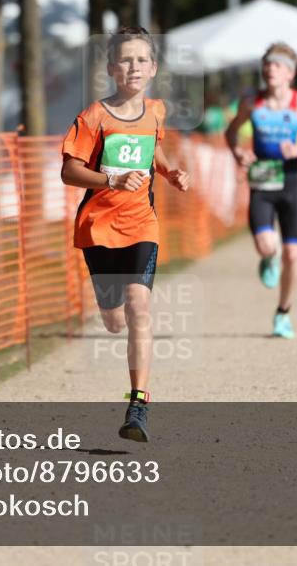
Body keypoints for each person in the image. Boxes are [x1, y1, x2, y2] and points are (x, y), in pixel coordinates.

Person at [60, 26, 190, 442]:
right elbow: (68, 171)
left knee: (139, 307)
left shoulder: (156, 111)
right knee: (115, 321)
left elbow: (156, 148)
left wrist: (169, 172)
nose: (134, 66)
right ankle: (109, 311)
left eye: (141, 59)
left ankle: (139, 404)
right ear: (113, 68)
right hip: (97, 227)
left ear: (152, 68)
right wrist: (110, 181)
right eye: (125, 59)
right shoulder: (93, 116)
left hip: (141, 224)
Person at [224, 43, 297, 339]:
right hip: (262, 184)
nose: (270, 70)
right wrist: (239, 153)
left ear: (290, 73)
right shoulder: (251, 102)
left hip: (292, 184)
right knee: (267, 247)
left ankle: (283, 313)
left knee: (293, 255)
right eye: (267, 65)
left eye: (277, 65)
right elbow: (230, 133)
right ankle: (270, 256)